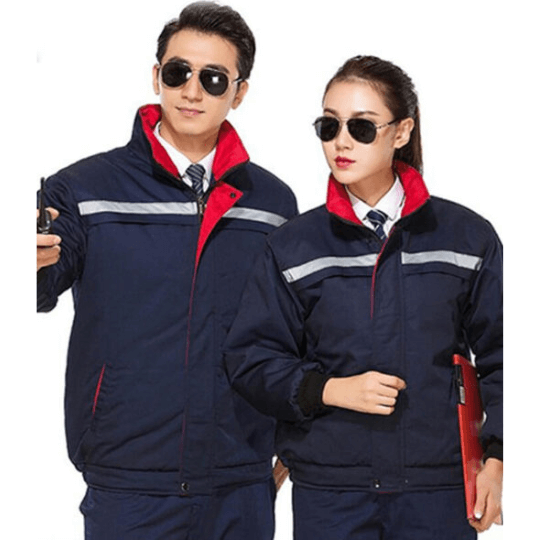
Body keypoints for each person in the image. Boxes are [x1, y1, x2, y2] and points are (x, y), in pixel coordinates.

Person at [36, 2, 297, 539]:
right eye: (178, 73)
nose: (192, 91)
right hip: (128, 482)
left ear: (239, 92)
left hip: (241, 482)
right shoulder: (84, 189)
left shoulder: (272, 203)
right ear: (157, 76)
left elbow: (296, 334)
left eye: (213, 78)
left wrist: (289, 450)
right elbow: (39, 283)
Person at [224, 55, 502, 539]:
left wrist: (497, 458)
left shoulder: (466, 238)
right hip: (332, 494)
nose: (342, 142)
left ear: (402, 131)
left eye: (362, 127)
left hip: (437, 491)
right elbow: (250, 359)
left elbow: (506, 356)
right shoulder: (293, 246)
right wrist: (329, 389)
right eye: (329, 126)